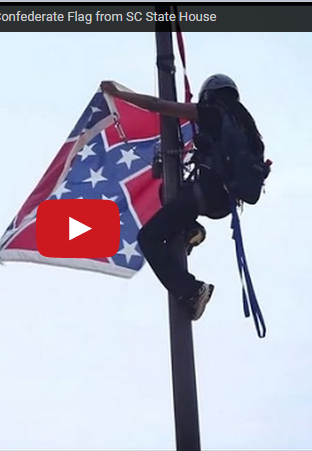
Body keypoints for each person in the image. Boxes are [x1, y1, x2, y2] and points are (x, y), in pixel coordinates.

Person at [100, 74, 265, 321]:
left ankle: (191, 290)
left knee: (148, 237)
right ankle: (190, 230)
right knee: (167, 192)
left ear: (209, 95)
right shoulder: (246, 126)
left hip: (206, 192)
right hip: (224, 200)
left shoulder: (214, 112)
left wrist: (120, 95)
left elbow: (161, 107)